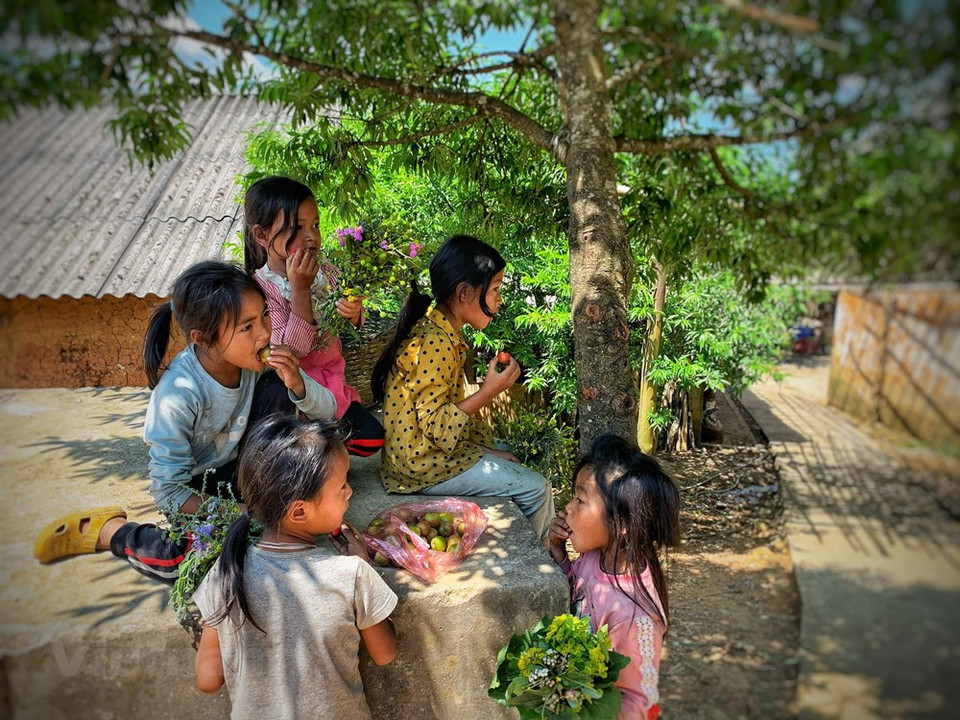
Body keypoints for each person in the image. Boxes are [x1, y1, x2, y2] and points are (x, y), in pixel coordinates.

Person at [32, 260, 338, 581]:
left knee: (280, 389)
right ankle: (110, 531)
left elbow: (327, 412)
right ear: (203, 338)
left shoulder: (262, 363)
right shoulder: (178, 395)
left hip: (241, 473)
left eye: (264, 315)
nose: (264, 333)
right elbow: (168, 490)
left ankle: (262, 506)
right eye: (247, 327)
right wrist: (236, 515)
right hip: (193, 489)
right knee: (190, 559)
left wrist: (297, 383)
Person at [193, 414, 397, 719]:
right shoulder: (351, 574)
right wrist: (364, 563)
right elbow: (385, 654)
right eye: (343, 485)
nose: (349, 492)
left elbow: (208, 681)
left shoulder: (226, 571)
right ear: (299, 511)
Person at [371, 234, 554, 542]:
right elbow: (436, 427)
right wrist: (489, 391)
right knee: (537, 487)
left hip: (417, 457)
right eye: (495, 289)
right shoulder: (436, 342)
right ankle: (545, 561)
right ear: (465, 293)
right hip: (420, 467)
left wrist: (487, 450)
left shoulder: (438, 328)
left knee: (511, 455)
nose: (499, 300)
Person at [243, 175, 384, 458]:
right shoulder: (260, 289)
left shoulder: (327, 271)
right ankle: (306, 451)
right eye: (297, 227)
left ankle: (323, 447)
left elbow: (354, 320)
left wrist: (354, 312)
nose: (312, 236)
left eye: (315, 225)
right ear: (262, 235)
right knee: (295, 437)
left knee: (372, 439)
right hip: (292, 389)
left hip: (332, 382)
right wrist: (299, 289)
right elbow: (292, 349)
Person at [548, 434, 681, 720]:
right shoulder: (596, 555)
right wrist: (559, 554)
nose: (568, 507)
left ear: (621, 524)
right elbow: (577, 590)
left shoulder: (634, 616)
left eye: (581, 499)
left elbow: (638, 702)